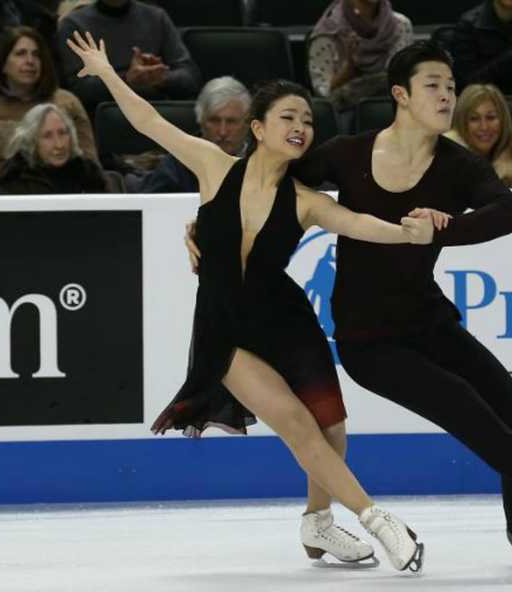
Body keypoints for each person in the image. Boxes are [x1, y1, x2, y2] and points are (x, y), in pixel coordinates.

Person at [186, 41, 512, 566]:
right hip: (370, 342)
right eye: (434, 85)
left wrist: (441, 231)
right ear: (401, 94)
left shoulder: (457, 165)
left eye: (451, 86)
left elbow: (508, 212)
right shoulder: (347, 153)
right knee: (475, 419)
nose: (447, 95)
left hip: (429, 320)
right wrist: (206, 227)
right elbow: (265, 180)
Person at [65, 30, 433, 573]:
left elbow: (357, 224)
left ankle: (318, 523)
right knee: (297, 425)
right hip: (225, 328)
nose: (300, 128)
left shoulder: (305, 201)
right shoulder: (214, 166)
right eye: (288, 117)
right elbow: (148, 121)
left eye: (306, 120)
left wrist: (409, 234)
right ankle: (381, 522)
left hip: (285, 320)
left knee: (331, 426)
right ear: (258, 128)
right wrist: (108, 71)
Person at [58, 0, 200, 112]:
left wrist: (161, 77)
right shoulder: (74, 25)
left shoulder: (157, 18)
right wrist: (126, 80)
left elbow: (190, 76)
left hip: (157, 114)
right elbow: (79, 89)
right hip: (103, 118)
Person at [0, 26, 97, 175]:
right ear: (2, 63)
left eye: (36, 55)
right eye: (20, 54)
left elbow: (89, 160)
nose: (30, 61)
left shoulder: (66, 102)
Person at [134, 76, 250, 194]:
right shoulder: (176, 167)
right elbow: (151, 207)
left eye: (231, 122)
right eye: (214, 121)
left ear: (247, 123)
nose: (222, 132)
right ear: (201, 122)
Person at [308, 0, 413, 111]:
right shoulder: (329, 32)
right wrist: (348, 71)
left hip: (393, 105)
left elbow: (403, 79)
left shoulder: (400, 25)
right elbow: (323, 94)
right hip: (345, 112)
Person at [0, 102, 107, 194]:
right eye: (47, 136)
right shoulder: (12, 178)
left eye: (62, 133)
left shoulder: (88, 175)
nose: (59, 145)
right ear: (32, 141)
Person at [445, 83, 512, 188]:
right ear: (462, 123)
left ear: (503, 121)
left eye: (491, 117)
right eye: (474, 118)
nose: (484, 127)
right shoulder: (442, 163)